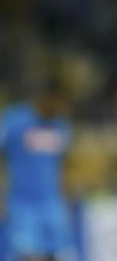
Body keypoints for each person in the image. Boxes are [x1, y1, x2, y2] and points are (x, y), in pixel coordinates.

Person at [0, 79, 74, 261]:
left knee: (58, 253)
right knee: (28, 255)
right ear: (46, 98)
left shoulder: (61, 126)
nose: (61, 108)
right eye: (59, 102)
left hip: (52, 202)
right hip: (22, 202)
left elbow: (62, 165)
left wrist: (65, 199)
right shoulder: (15, 121)